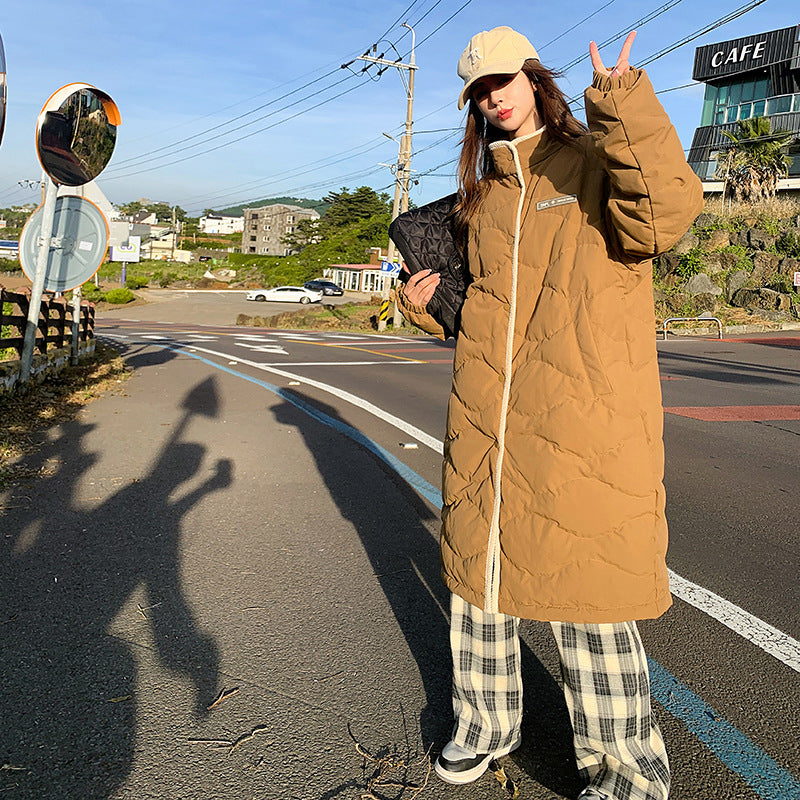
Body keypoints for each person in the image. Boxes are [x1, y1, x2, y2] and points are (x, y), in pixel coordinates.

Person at [396, 25, 703, 800]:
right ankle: (485, 726)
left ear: (534, 78)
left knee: (587, 596)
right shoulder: (480, 194)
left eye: (504, 78)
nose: (492, 95)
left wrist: (623, 100)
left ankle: (629, 773)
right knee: (480, 584)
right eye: (478, 89)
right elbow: (490, 308)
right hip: (487, 420)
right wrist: (434, 304)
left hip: (583, 423)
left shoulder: (593, 163)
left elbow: (664, 214)